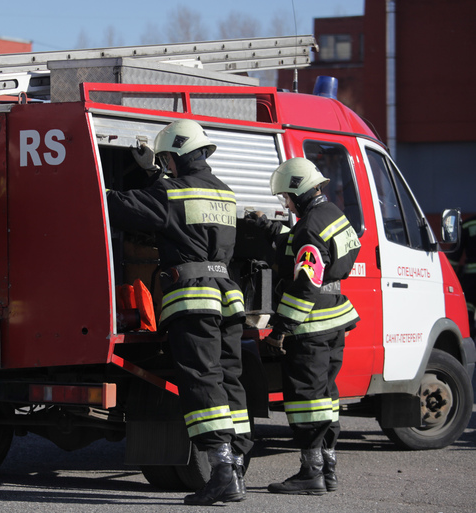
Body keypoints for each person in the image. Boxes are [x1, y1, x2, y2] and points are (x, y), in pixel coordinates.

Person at [106, 119, 250, 505]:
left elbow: (122, 207)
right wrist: (154, 172)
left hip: (194, 299)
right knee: (228, 381)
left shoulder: (170, 193)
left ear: (174, 157)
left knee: (201, 380)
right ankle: (235, 464)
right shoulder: (225, 192)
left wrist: (92, 185)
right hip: (228, 299)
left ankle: (220, 471)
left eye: (166, 159)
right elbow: (182, 202)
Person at [246, 157, 360, 495]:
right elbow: (307, 244)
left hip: (310, 326)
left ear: (298, 191)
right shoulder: (333, 215)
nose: (286, 203)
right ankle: (327, 469)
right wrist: (271, 229)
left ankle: (310, 473)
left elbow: (305, 282)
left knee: (306, 399)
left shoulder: (309, 227)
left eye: (286, 197)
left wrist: (280, 329)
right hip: (334, 320)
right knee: (326, 396)